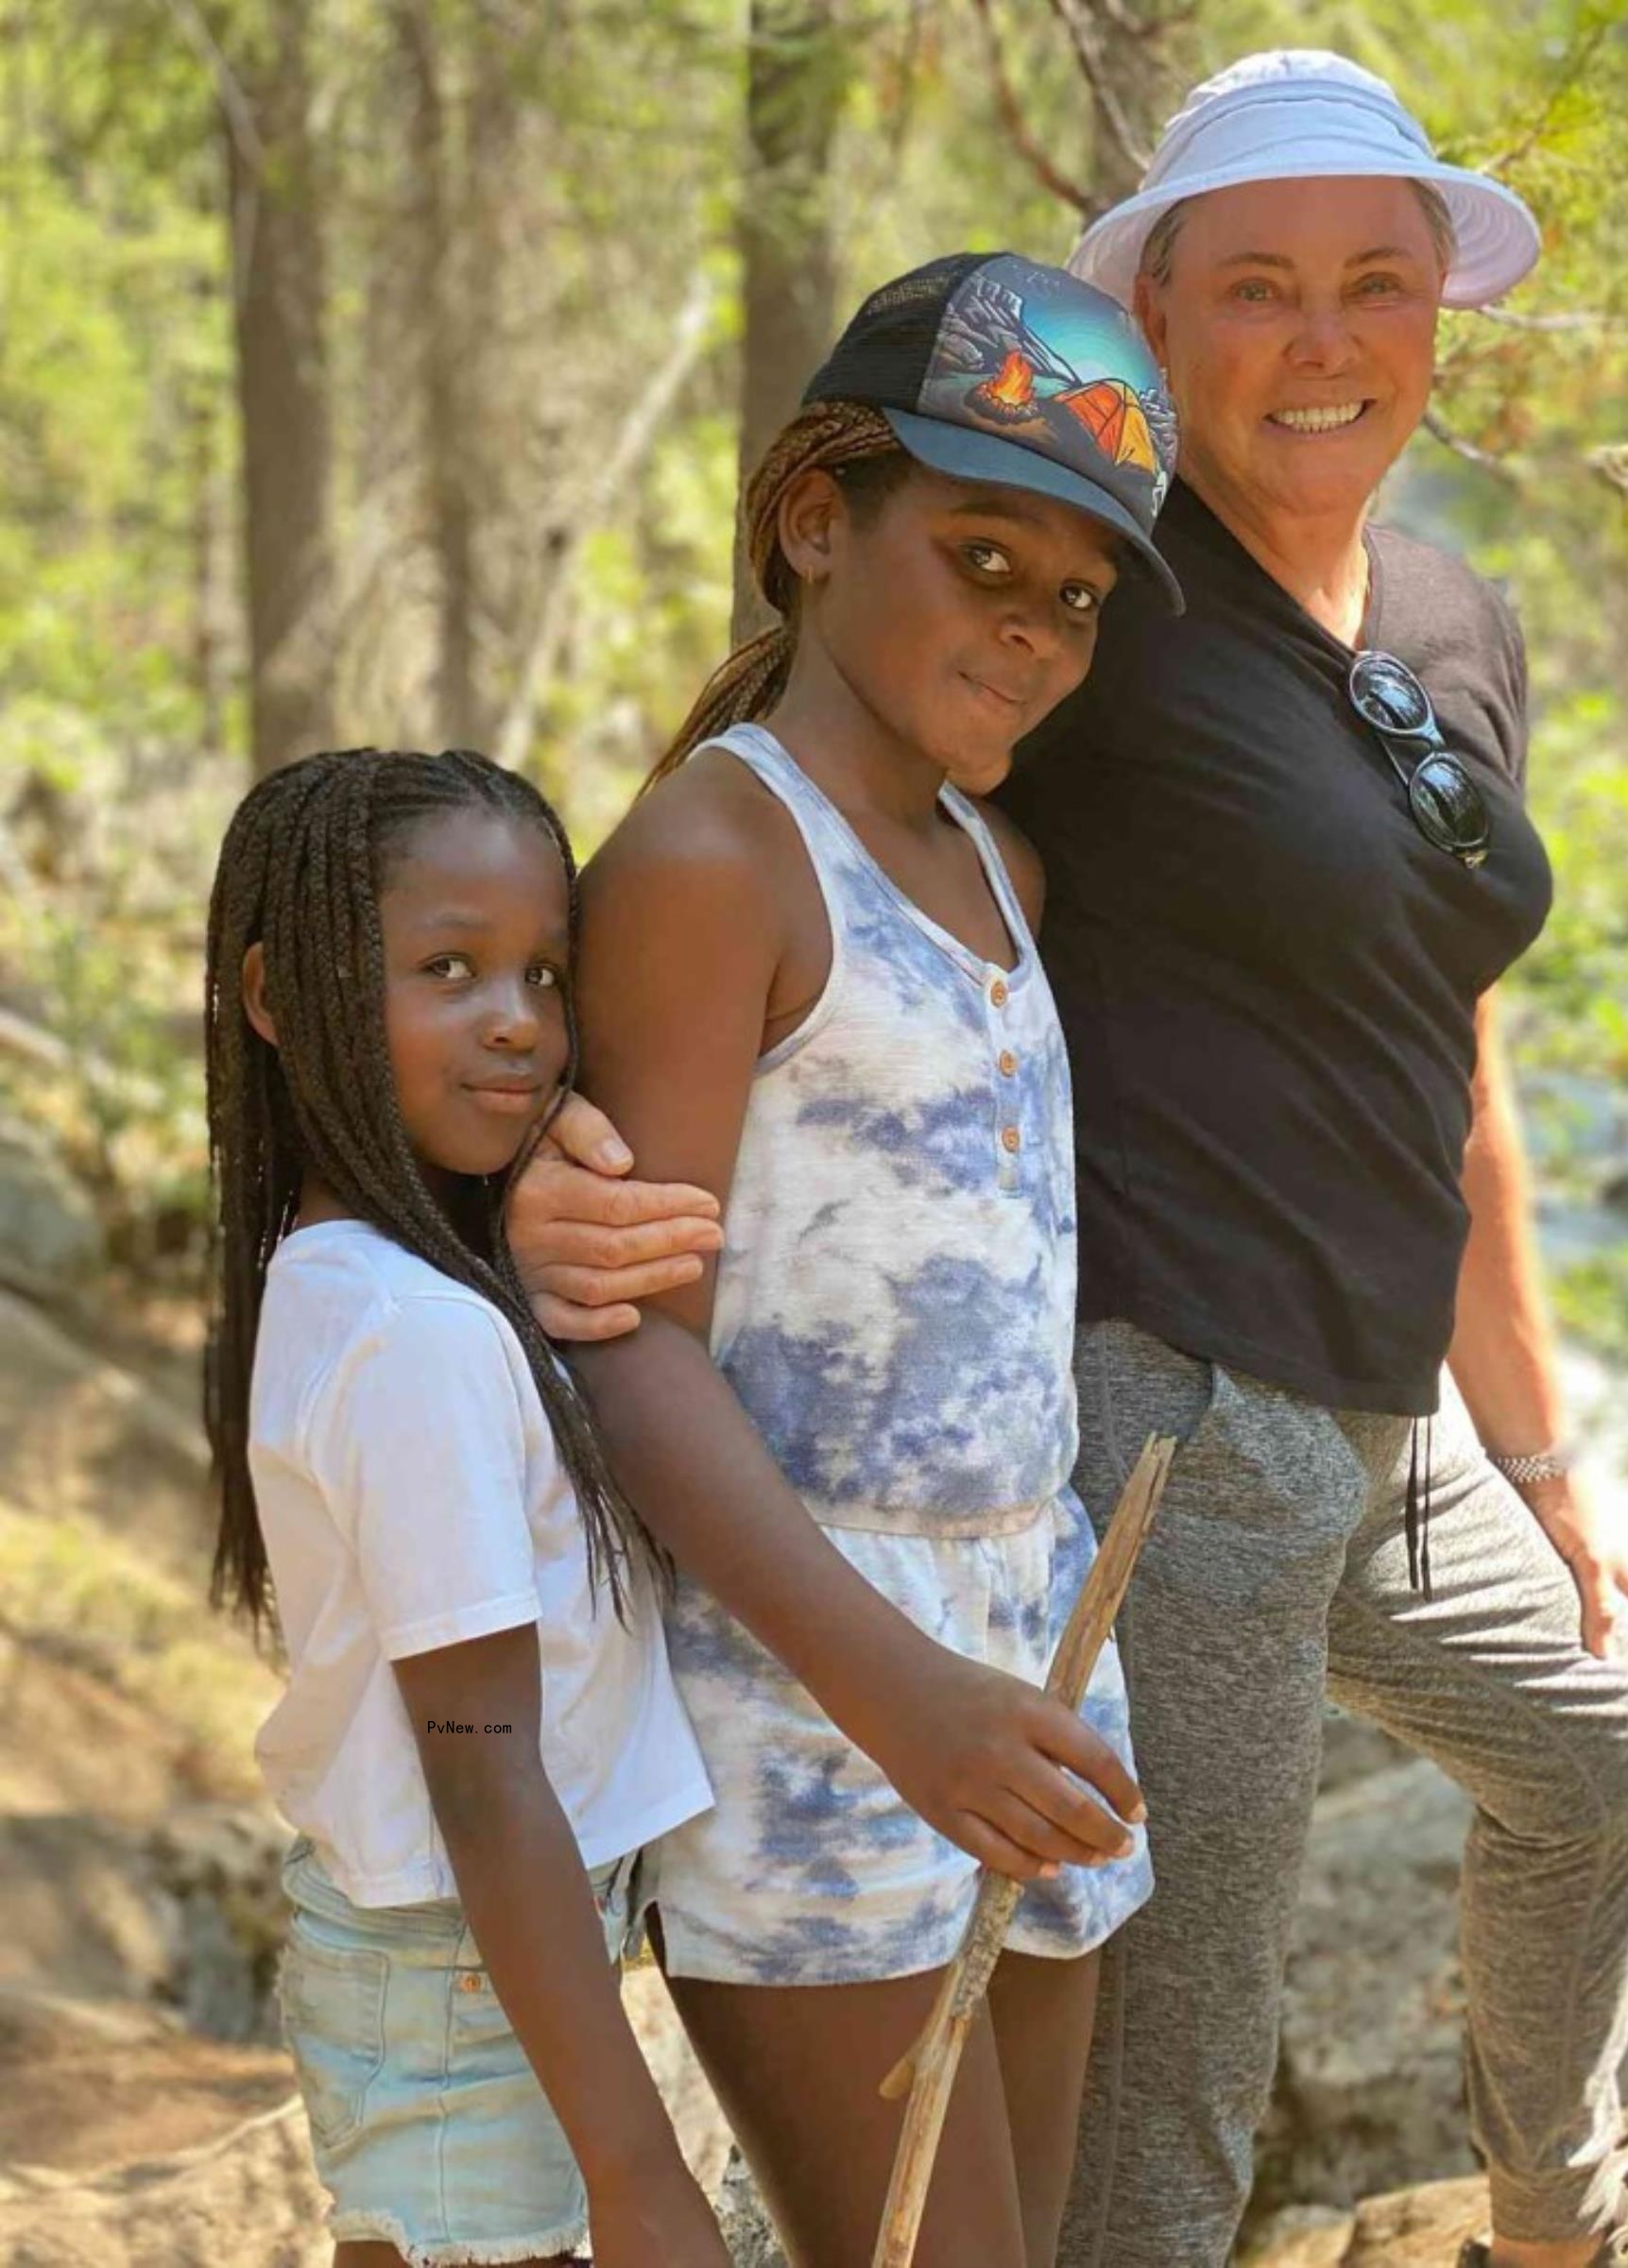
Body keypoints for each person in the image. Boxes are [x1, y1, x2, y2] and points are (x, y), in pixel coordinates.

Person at [989, 48, 1628, 2268]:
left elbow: (1446, 1044)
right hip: (1165, 1418)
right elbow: (805, 826)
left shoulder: (1454, 615)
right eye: (1257, 285)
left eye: (1377, 280)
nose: (1324, 339)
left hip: (1383, 1417)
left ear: (1442, 312)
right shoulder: (1089, 599)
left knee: (1618, 1744)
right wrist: (592, 1136)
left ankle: (1552, 2219)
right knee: (1181, 2062)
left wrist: (1541, 1459)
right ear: (1157, 319)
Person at [514, 253, 1178, 2268]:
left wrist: (992, 1688)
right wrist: (903, 1698)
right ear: (818, 518)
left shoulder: (1002, 861)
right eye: (982, 552)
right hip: (814, 1699)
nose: (1033, 628)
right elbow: (630, 1347)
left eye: (1073, 596)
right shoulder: (718, 863)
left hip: (1037, 1644)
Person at [202, 745, 724, 2268]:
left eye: (545, 974)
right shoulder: (410, 1336)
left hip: (449, 1957)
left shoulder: (358, 1277)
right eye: (449, 967)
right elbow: (484, 1773)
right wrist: (641, 2174)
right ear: (277, 999)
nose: (520, 1021)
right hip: (461, 1969)